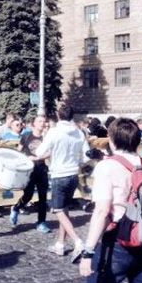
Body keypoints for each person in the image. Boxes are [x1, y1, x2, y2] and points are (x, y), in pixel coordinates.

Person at [79, 117, 142, 283]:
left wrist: (88, 252)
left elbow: (102, 211)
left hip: (118, 241)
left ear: (112, 140)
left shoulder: (106, 167)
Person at [35, 104, 87, 260]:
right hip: (73, 175)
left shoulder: (54, 132)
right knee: (64, 210)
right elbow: (86, 156)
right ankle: (60, 245)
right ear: (72, 116)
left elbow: (39, 152)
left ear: (58, 116)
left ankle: (78, 242)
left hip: (59, 175)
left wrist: (52, 151)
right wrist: (77, 162)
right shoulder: (79, 132)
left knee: (58, 210)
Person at [10, 115, 51, 233]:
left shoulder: (47, 137)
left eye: (44, 121)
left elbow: (50, 152)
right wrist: (27, 158)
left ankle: (41, 222)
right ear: (34, 124)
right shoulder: (26, 136)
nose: (42, 123)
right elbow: (18, 152)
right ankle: (16, 208)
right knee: (28, 195)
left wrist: (39, 157)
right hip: (29, 171)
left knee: (43, 198)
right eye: (39, 121)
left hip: (42, 169)